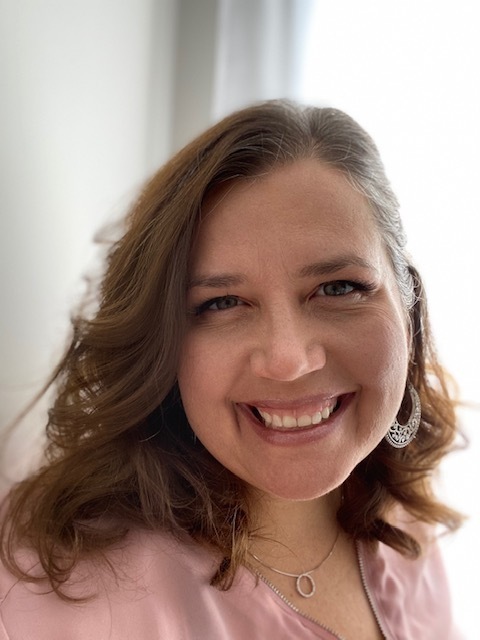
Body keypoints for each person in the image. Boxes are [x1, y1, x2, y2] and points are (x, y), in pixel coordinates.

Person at [0, 100, 463, 639]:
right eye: (222, 303)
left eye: (339, 288)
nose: (288, 361)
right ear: (163, 339)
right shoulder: (55, 582)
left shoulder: (409, 535)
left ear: (407, 302)